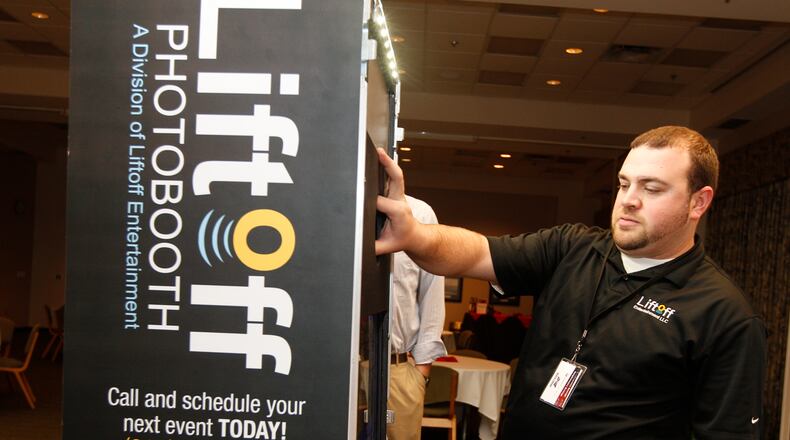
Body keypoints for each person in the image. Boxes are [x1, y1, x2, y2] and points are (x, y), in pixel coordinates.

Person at [375, 126, 765, 439]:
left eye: (652, 188)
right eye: (624, 183)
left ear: (699, 202)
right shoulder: (573, 247)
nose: (629, 199)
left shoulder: (724, 315)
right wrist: (415, 236)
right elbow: (476, 252)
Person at [387, 195, 447, 440]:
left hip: (397, 371)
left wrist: (420, 374)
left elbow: (432, 295)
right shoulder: (332, 200)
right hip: (334, 366)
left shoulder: (419, 213)